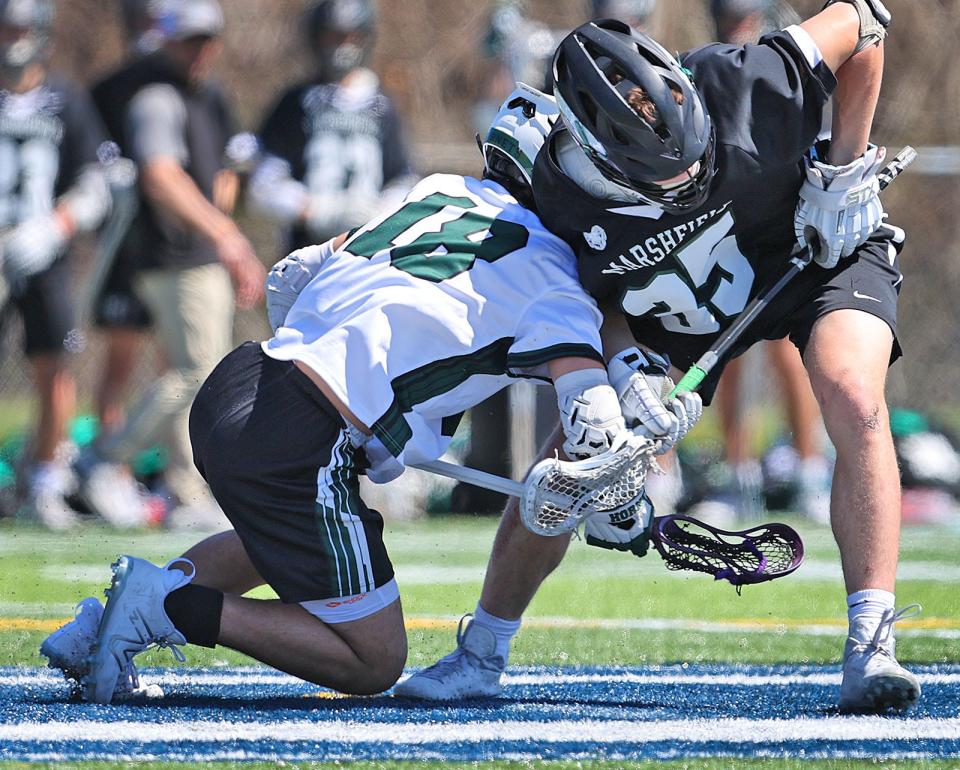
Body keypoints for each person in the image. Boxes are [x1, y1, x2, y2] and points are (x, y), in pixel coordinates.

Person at [40, 85, 699, 703]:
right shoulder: (555, 281)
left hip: (243, 382)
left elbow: (291, 276)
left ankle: (97, 628)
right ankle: (163, 610)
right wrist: (620, 492)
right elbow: (589, 425)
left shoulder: (439, 191)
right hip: (303, 438)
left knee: (282, 539)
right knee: (372, 658)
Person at [399, 0, 922, 714]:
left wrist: (842, 167)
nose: (690, 180)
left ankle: (872, 639)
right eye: (662, 177)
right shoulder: (553, 193)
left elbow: (864, 20)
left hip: (815, 249)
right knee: (574, 459)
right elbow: (578, 298)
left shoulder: (742, 82)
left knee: (853, 394)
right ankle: (482, 650)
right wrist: (627, 368)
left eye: (694, 158)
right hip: (674, 309)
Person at [84, 0, 266, 531]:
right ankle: (104, 457)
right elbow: (161, 176)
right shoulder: (157, 97)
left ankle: (185, 489)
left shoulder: (202, 96)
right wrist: (226, 236)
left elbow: (223, 174)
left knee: (193, 370)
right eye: (189, 39)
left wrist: (223, 229)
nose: (199, 50)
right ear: (166, 39)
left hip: (195, 253)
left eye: (206, 39)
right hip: (173, 255)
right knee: (198, 372)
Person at [699, 0, 828, 524]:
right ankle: (739, 473)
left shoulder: (789, 71)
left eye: (747, 21)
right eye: (732, 23)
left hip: (788, 229)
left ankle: (810, 469)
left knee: (789, 353)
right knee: (727, 353)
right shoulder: (711, 72)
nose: (739, 32)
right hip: (734, 232)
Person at [78, 0, 200, 529]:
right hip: (131, 243)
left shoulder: (192, 85)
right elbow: (90, 157)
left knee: (180, 367)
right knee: (123, 359)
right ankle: (114, 477)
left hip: (179, 248)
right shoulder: (111, 88)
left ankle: (181, 480)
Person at [0, 0, 111, 529]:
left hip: (44, 251)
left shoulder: (66, 99)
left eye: (22, 30)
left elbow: (96, 183)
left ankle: (45, 478)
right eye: (6, 30)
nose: (14, 42)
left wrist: (54, 226)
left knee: (55, 366)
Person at [248, 0, 416, 257]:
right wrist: (312, 209)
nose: (344, 46)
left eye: (352, 36)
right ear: (317, 38)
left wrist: (377, 216)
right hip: (307, 254)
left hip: (367, 257)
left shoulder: (383, 105)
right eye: (334, 36)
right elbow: (264, 184)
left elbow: (403, 180)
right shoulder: (296, 103)